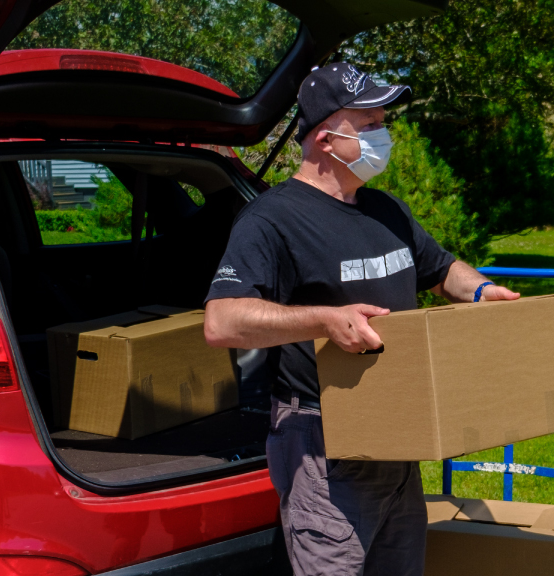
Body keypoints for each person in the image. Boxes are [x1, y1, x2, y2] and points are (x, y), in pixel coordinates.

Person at [203, 63, 519, 576]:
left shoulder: (383, 209)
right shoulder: (271, 220)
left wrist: (481, 290)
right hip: (325, 443)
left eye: (382, 121)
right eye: (370, 123)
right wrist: (325, 320)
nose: (384, 133)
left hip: (398, 435)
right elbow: (222, 321)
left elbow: (440, 270)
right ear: (327, 139)